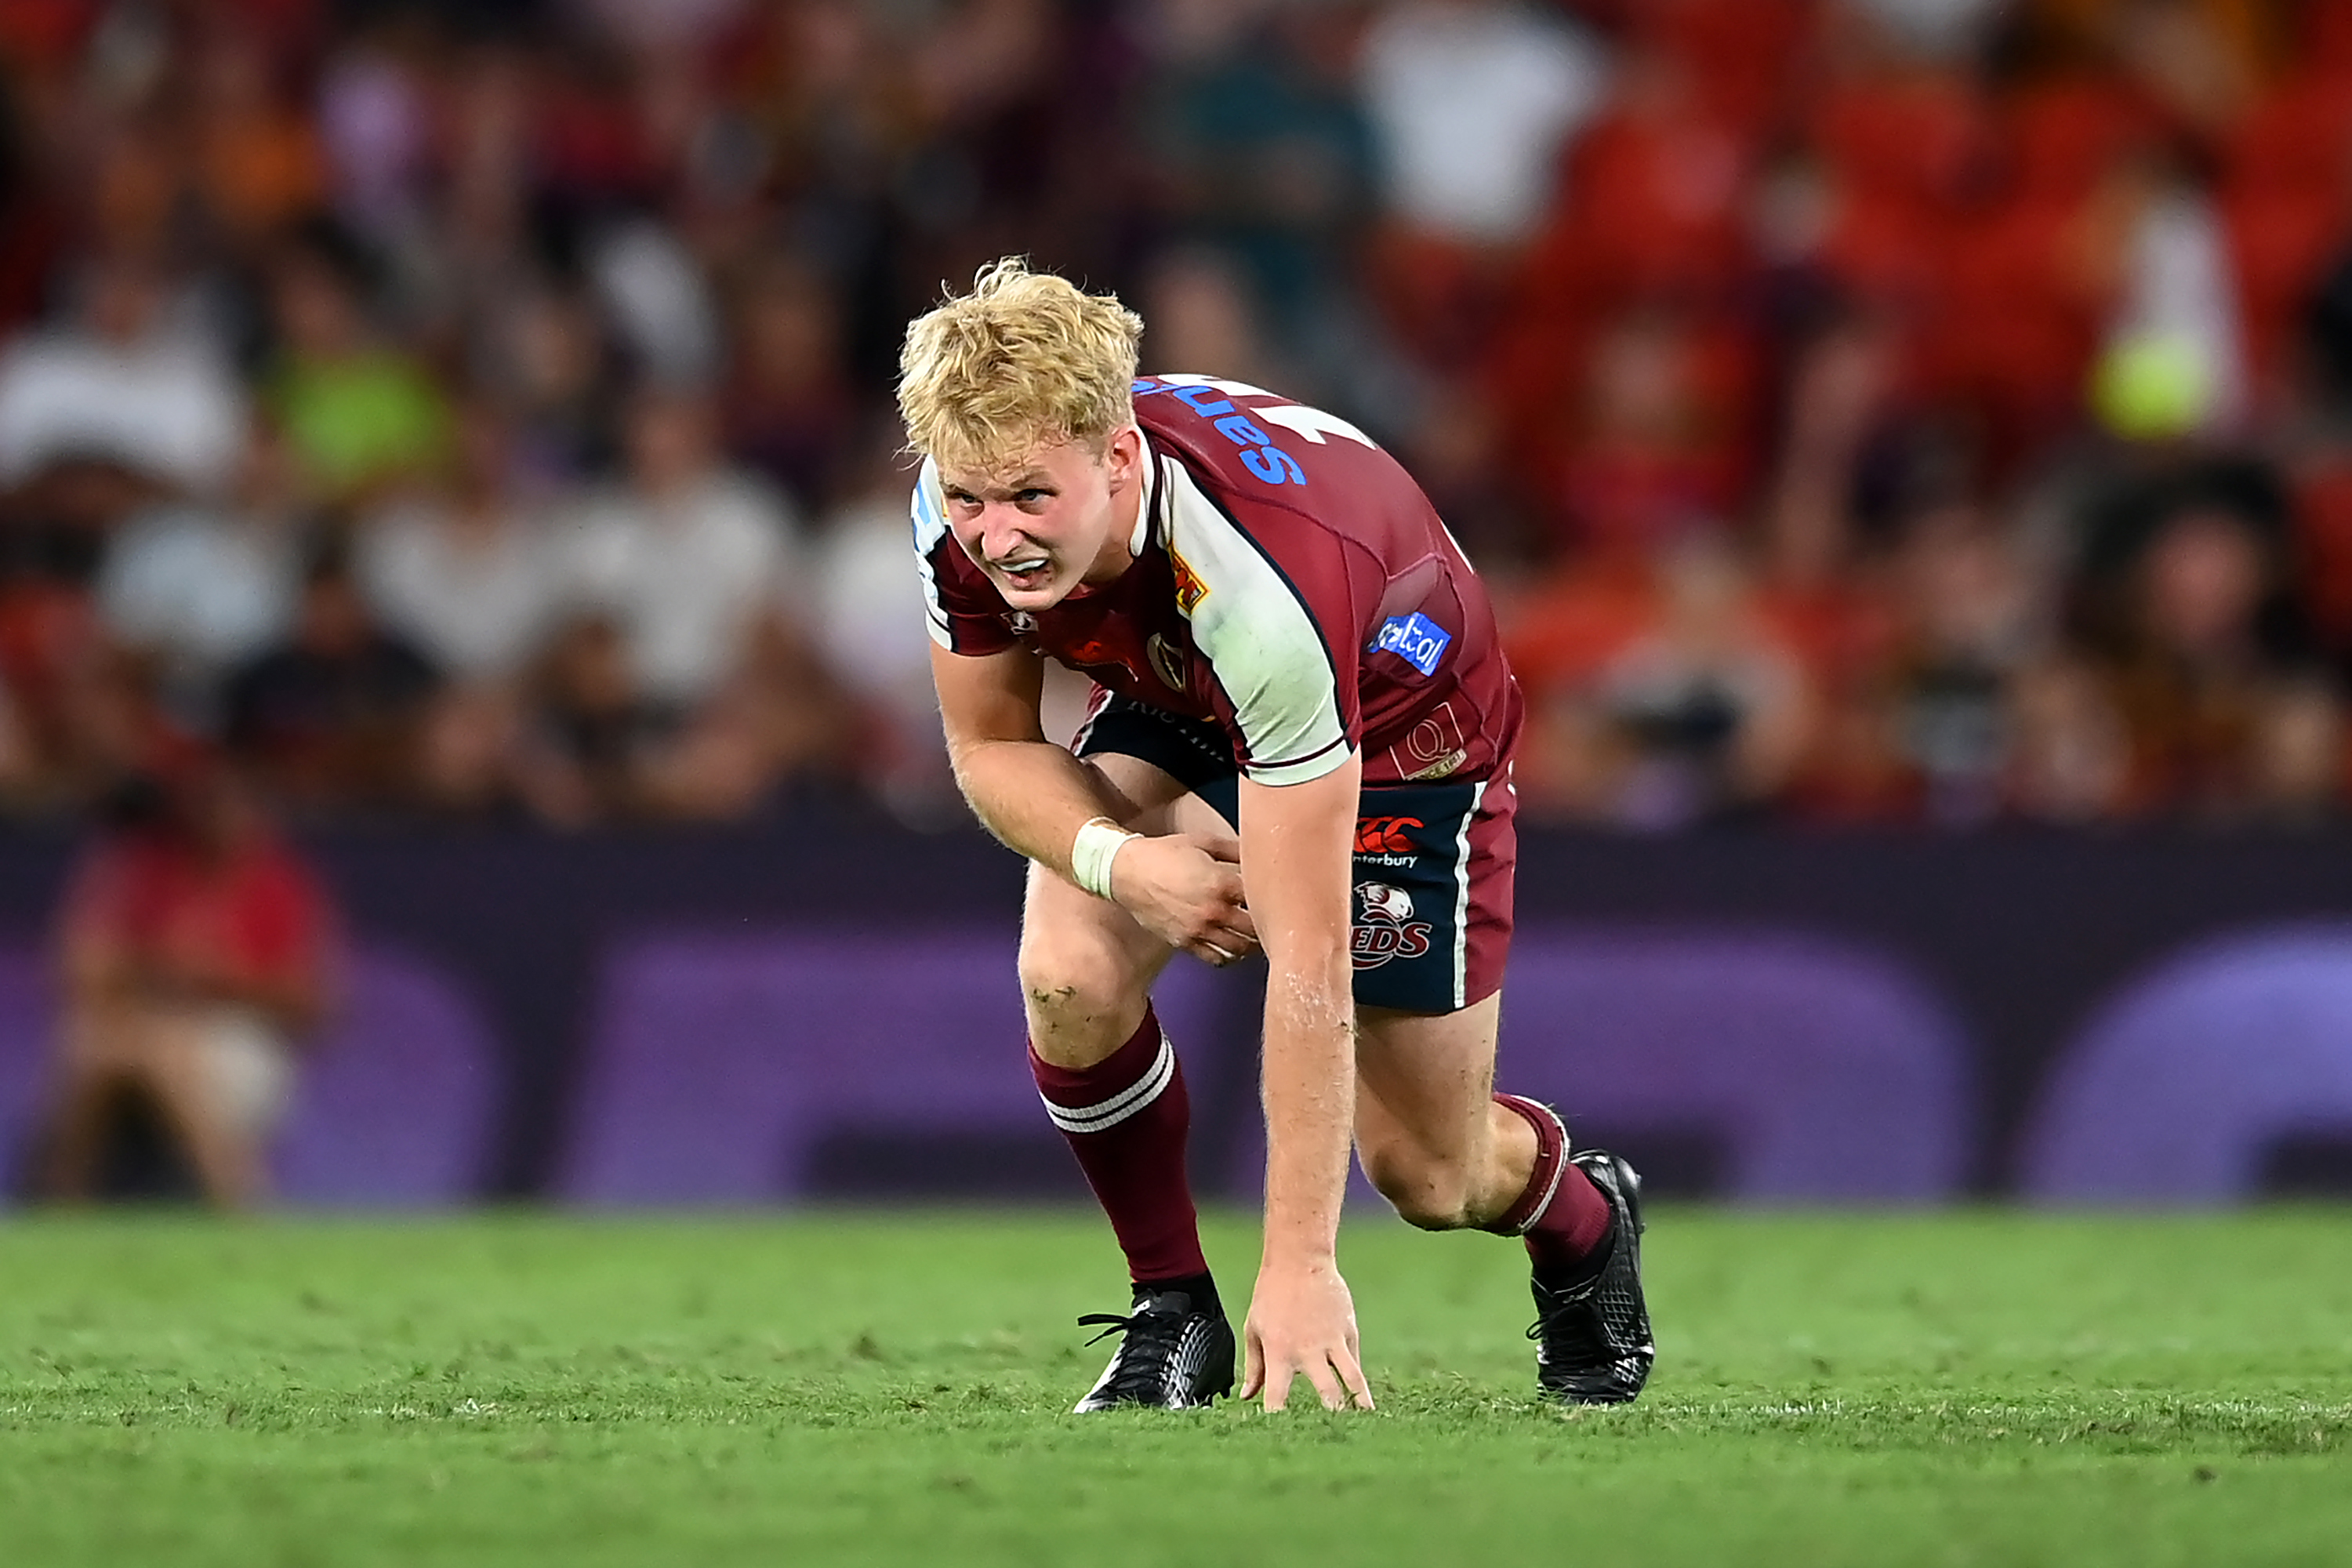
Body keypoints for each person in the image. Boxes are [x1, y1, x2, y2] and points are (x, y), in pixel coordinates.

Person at [896, 260, 1653, 1414]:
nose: (995, 537)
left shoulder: (1264, 581)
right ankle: (1171, 1311)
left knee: (1430, 1175)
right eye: (969, 501)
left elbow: (1308, 960)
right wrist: (1126, 860)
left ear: (1114, 455)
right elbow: (991, 749)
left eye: (1027, 502)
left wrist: (1302, 1267)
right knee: (1067, 969)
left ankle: (1584, 1216)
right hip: (1181, 685)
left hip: (1402, 725)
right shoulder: (970, 483)